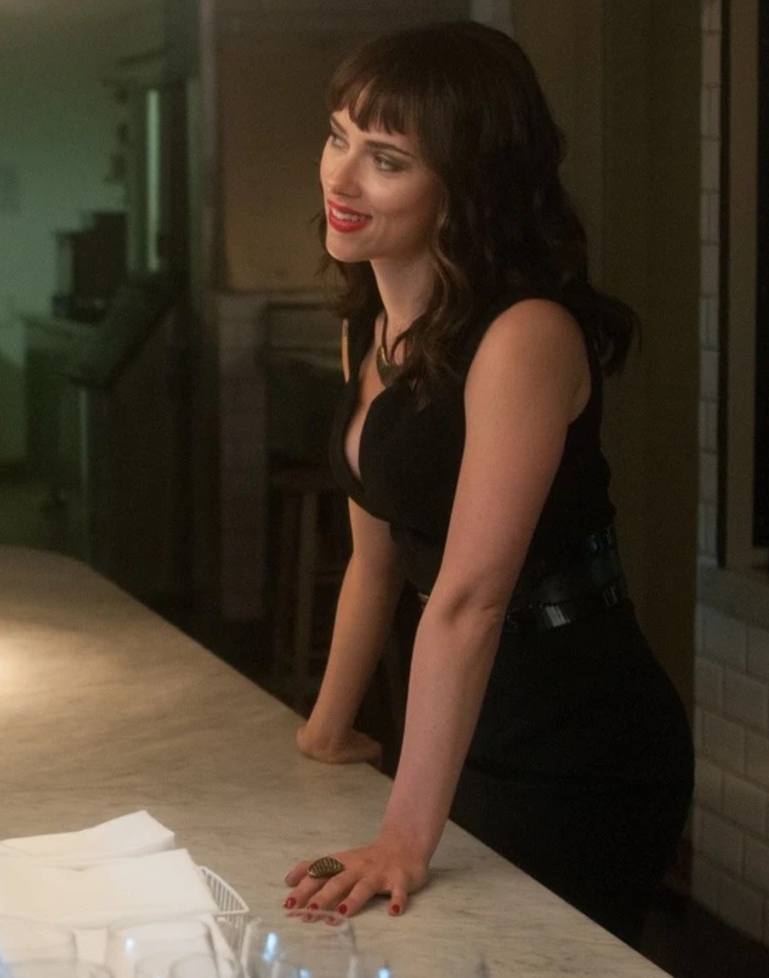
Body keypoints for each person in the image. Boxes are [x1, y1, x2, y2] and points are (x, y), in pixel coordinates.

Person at [282, 21, 692, 943]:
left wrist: (403, 838)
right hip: (461, 730)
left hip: (575, 744)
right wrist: (325, 733)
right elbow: (375, 564)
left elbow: (468, 597)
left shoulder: (525, 335)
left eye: (385, 159)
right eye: (338, 135)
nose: (339, 179)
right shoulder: (372, 330)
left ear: (466, 189)